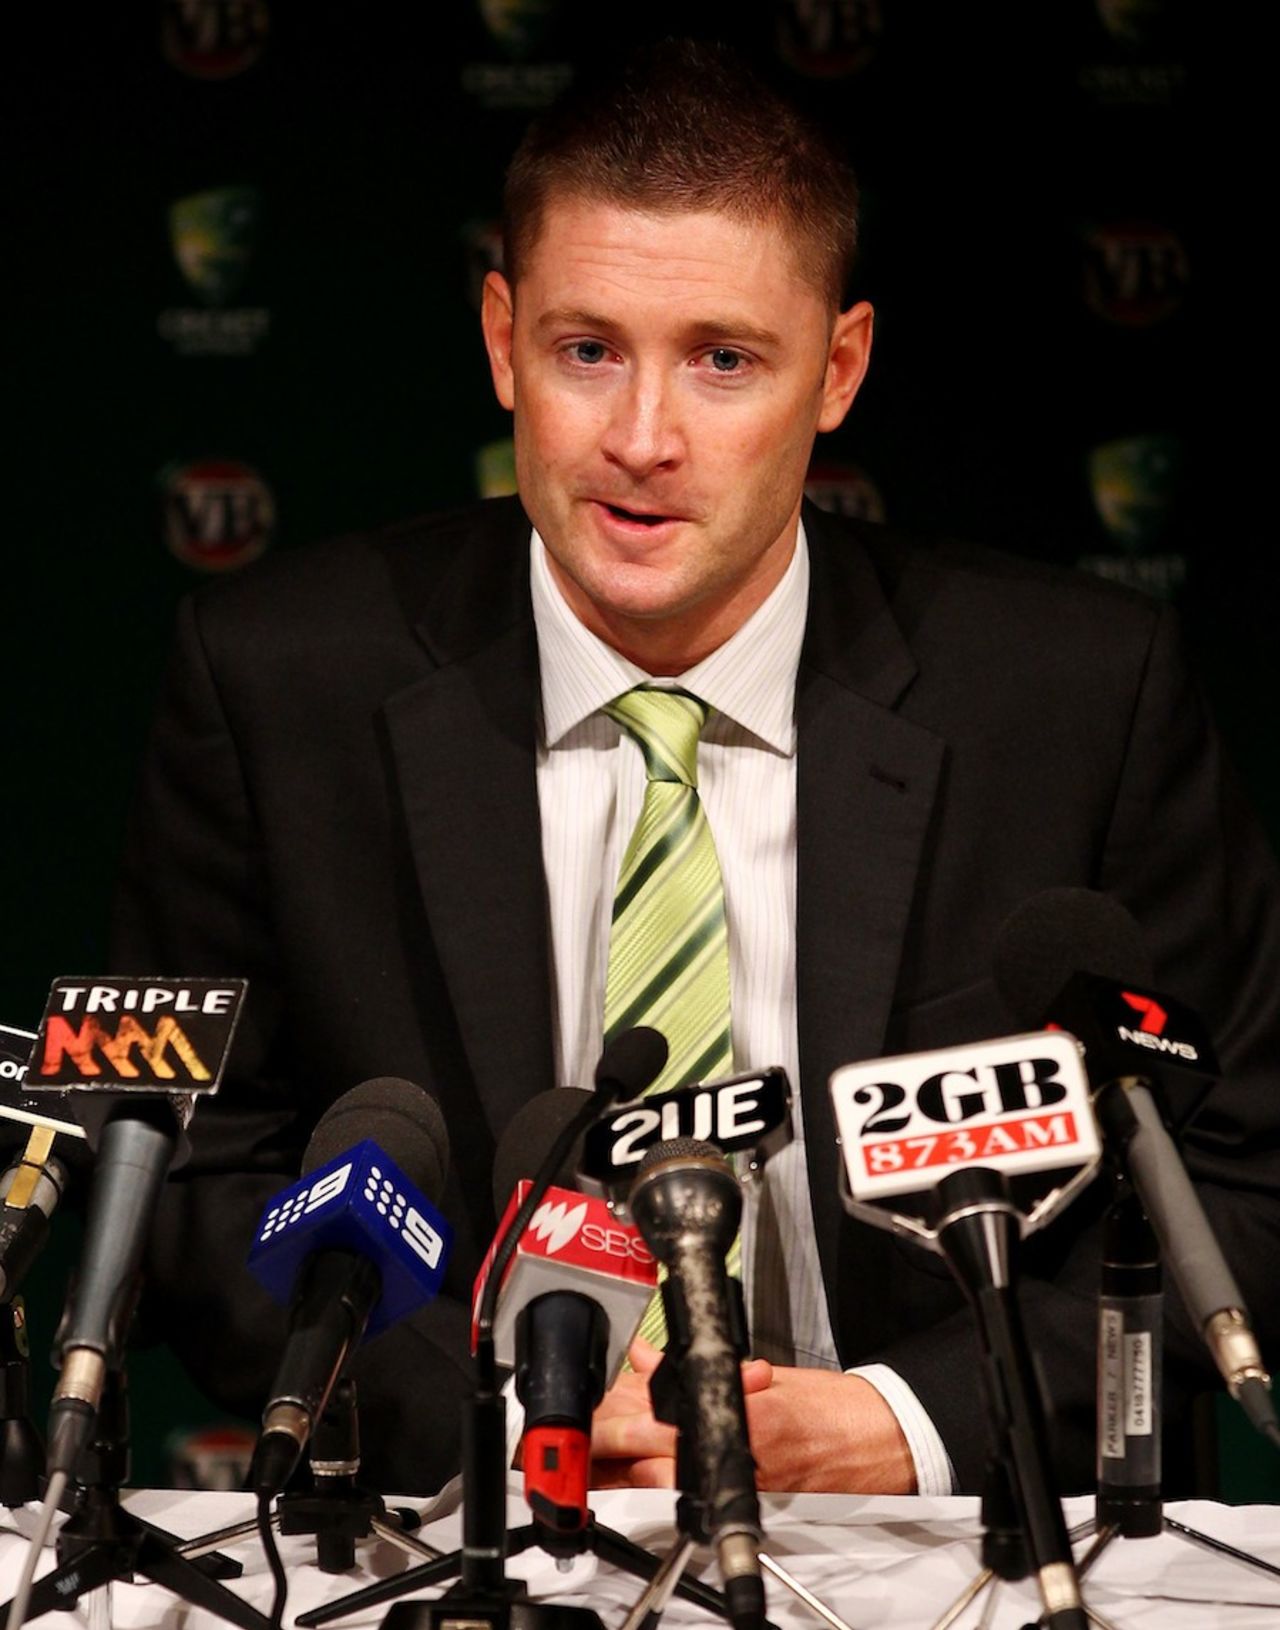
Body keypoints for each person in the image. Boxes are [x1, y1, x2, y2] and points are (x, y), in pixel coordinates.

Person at [114, 41, 1280, 1498]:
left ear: (840, 368)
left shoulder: (1074, 699)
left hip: (926, 1544)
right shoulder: (281, 681)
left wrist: (901, 1422)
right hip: (460, 1526)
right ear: (500, 338)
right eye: (586, 350)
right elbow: (190, 1169)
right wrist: (492, 1418)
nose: (643, 439)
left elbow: (1238, 1172)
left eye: (723, 358)